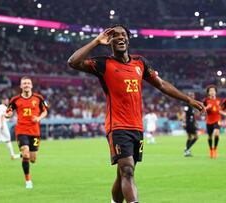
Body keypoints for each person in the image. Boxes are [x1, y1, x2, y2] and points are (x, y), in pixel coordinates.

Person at [67, 25, 205, 203]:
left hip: (136, 127)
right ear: (109, 41)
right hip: (117, 126)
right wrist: (96, 41)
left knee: (123, 174)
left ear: (128, 39)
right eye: (115, 36)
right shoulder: (103, 64)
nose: (120, 38)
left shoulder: (140, 63)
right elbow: (73, 62)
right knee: (127, 170)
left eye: (123, 35)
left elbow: (161, 84)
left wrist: (188, 100)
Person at [5, 76, 48, 189]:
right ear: (21, 86)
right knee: (25, 154)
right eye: (24, 83)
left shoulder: (39, 98)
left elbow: (45, 111)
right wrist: (7, 115)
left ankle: (23, 154)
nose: (26, 85)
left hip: (35, 131)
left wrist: (38, 118)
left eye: (28, 83)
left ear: (31, 85)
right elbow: (9, 111)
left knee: (33, 159)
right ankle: (28, 180)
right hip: (21, 130)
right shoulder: (15, 99)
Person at [0, 98, 20, 162]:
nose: (7, 102)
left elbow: (3, 115)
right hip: (2, 125)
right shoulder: (4, 107)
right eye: (6, 101)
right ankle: (12, 155)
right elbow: (2, 116)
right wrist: (2, 125)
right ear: (3, 101)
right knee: (8, 140)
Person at [203, 85, 221, 158]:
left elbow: (222, 109)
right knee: (210, 136)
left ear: (215, 92)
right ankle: (211, 149)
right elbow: (202, 111)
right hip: (209, 120)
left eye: (213, 90)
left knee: (216, 133)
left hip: (217, 119)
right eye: (210, 91)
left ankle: (215, 149)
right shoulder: (206, 101)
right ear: (208, 93)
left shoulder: (219, 100)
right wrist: (207, 108)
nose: (212, 92)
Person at [182, 92, 199, 157]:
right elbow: (184, 114)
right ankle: (187, 149)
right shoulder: (187, 104)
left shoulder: (192, 104)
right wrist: (183, 122)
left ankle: (187, 151)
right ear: (189, 96)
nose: (192, 96)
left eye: (193, 95)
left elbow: (192, 115)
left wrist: (195, 122)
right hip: (189, 123)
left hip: (191, 122)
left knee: (189, 137)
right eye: (191, 95)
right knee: (196, 137)